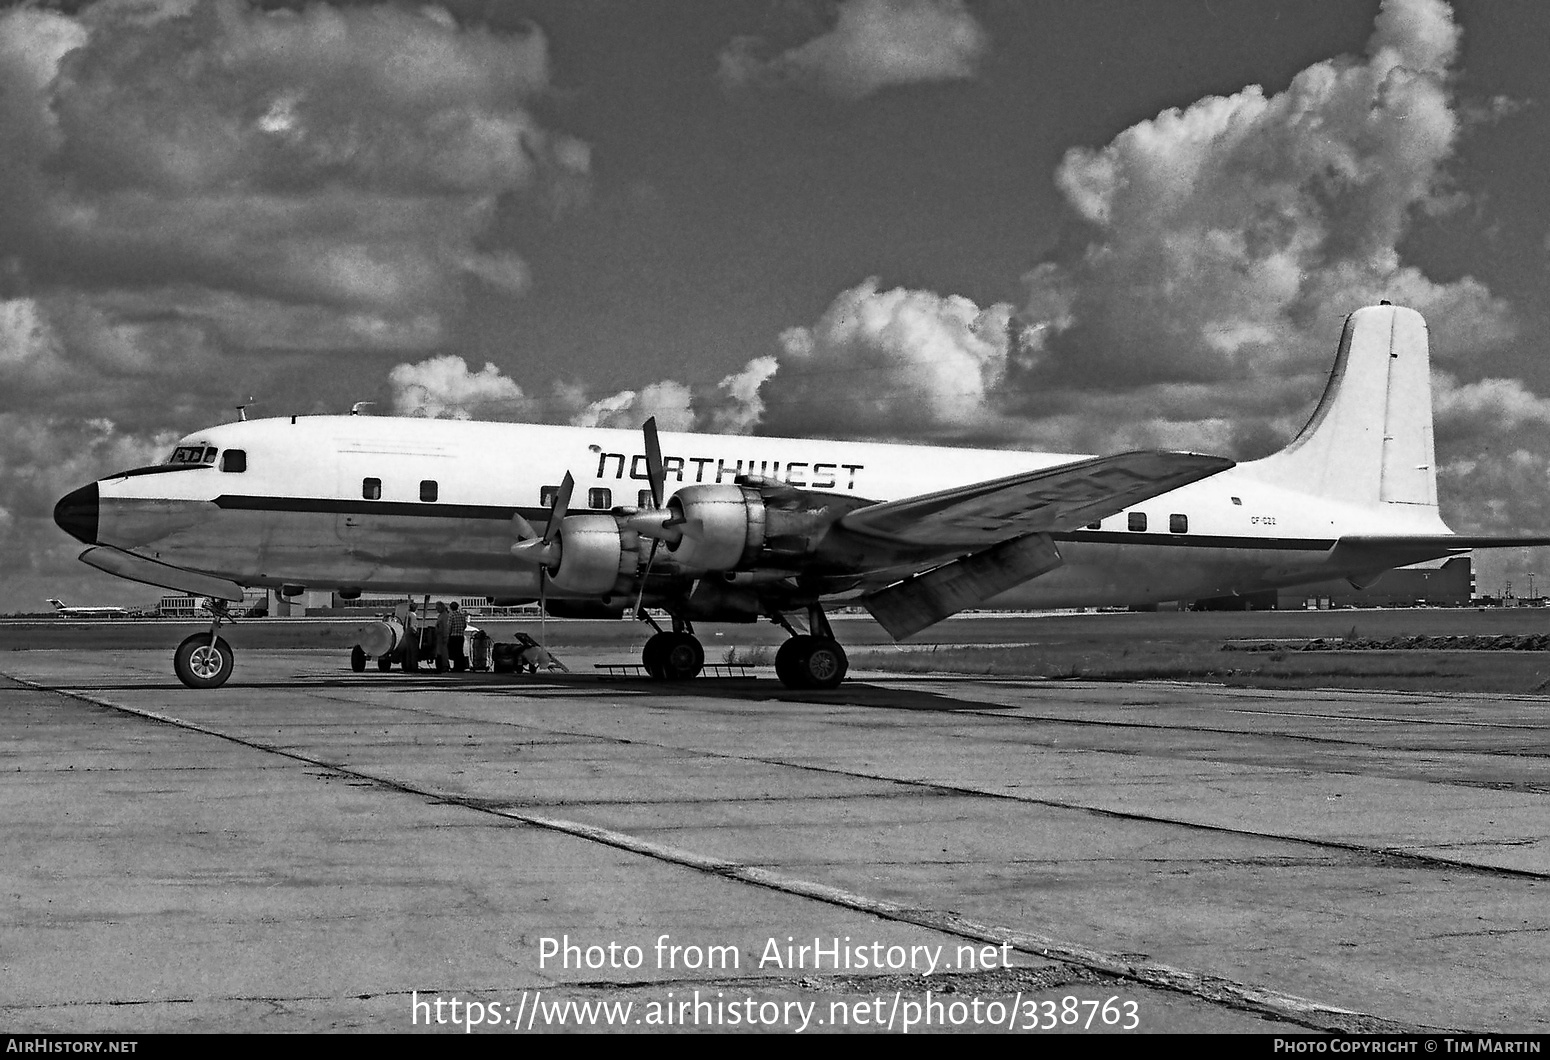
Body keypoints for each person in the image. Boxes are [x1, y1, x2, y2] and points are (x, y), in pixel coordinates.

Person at [448, 602, 469, 671]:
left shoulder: (451, 615)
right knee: (460, 651)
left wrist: (448, 634)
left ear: (451, 608)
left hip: (453, 636)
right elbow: (465, 626)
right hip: (461, 636)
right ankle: (461, 666)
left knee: (454, 652)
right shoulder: (461, 615)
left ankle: (456, 667)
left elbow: (449, 626)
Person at [433, 601, 452, 672]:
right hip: (439, 637)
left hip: (442, 637)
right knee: (439, 652)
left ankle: (444, 666)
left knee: (443, 653)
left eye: (437, 608)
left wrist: (445, 636)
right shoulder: (441, 615)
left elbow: (445, 627)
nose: (436, 609)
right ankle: (441, 666)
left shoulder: (445, 616)